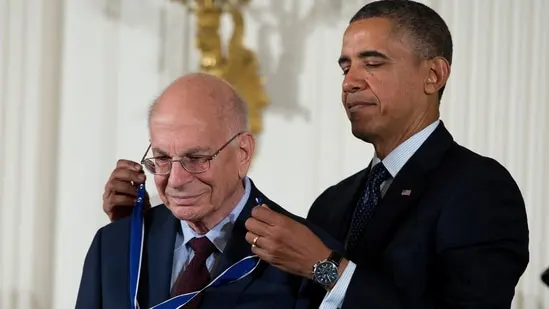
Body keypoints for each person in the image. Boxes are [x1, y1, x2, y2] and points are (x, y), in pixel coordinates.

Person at [102, 1, 530, 308]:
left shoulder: (479, 188)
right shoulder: (334, 201)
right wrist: (145, 233)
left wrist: (328, 269)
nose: (350, 82)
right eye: (346, 67)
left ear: (433, 74)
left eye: (373, 63)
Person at [76, 72, 339, 309]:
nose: (176, 180)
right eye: (163, 158)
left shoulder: (307, 256)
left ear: (243, 153)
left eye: (197, 158)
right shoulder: (114, 245)